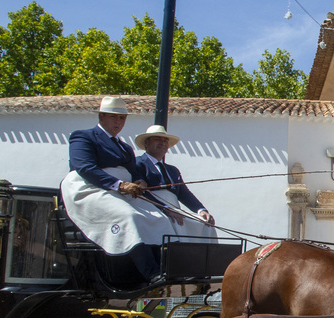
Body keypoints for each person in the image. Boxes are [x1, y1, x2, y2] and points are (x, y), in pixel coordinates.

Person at [61, 96, 171, 282]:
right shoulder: (83, 136)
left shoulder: (125, 147)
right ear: (102, 116)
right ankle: (151, 273)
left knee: (160, 219)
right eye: (114, 117)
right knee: (129, 216)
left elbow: (134, 171)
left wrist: (139, 182)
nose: (118, 122)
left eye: (122, 118)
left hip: (122, 191)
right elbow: (85, 168)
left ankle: (168, 269)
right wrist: (119, 184)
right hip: (91, 188)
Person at [135, 124, 217, 230]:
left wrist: (201, 210)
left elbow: (184, 193)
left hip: (175, 211)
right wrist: (165, 208)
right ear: (147, 143)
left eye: (165, 140)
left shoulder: (172, 170)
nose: (162, 143)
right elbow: (143, 192)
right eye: (157, 139)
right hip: (153, 210)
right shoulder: (139, 163)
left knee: (203, 224)